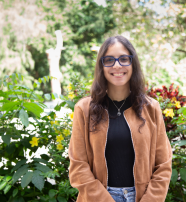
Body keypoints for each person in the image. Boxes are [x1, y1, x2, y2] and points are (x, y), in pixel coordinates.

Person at [68, 35, 172, 202]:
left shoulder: (151, 108)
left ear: (133, 63)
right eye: (109, 60)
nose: (117, 65)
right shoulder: (84, 109)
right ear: (101, 66)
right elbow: (78, 167)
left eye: (124, 59)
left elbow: (164, 165)